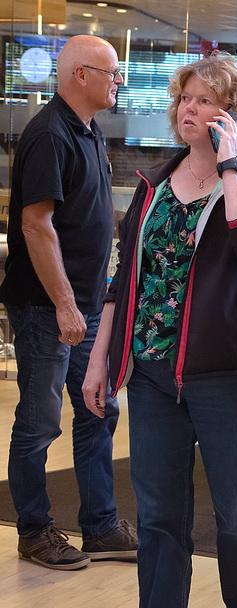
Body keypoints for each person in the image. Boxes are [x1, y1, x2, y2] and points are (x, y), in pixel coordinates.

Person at [82, 51, 237, 608]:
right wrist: (100, 359)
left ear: (233, 113)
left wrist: (229, 167)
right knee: (159, 520)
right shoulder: (154, 183)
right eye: (184, 99)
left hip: (230, 373)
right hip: (151, 374)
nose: (188, 109)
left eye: (204, 101)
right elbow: (125, 278)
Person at [0, 35, 137, 571]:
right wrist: (63, 304)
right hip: (47, 308)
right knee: (39, 421)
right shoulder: (49, 134)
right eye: (113, 72)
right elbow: (36, 225)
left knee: (99, 408)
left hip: (85, 303)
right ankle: (34, 531)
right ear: (82, 75)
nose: (119, 81)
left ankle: (101, 527)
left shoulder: (88, 130)